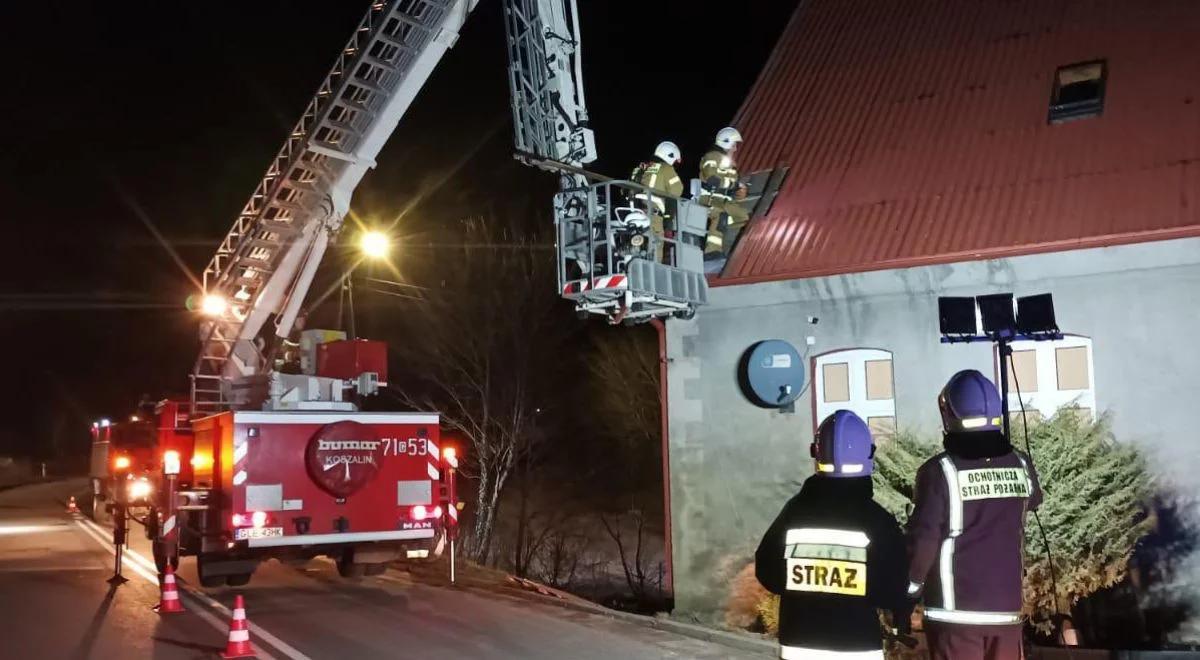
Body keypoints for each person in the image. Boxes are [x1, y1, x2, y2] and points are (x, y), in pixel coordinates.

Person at [906, 369, 1043, 660]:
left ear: (948, 415)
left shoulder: (939, 471)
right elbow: (1033, 500)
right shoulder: (1020, 462)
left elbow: (924, 540)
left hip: (955, 613)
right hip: (1006, 611)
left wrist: (908, 589)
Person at [755, 410, 912, 659]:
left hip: (799, 645)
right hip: (858, 647)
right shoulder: (877, 520)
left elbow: (767, 572)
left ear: (817, 454)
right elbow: (894, 590)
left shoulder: (794, 513)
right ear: (868, 454)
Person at [698, 126, 750, 256]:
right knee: (719, 217)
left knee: (745, 217)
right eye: (734, 145)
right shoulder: (711, 157)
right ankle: (711, 252)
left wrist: (740, 192)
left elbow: (732, 187)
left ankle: (723, 224)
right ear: (725, 143)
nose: (735, 149)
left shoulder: (730, 164)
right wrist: (734, 185)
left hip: (725, 201)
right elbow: (712, 179)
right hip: (710, 200)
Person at [630, 141, 684, 263]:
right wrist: (668, 222)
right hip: (654, 218)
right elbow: (677, 190)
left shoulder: (640, 169)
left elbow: (625, 190)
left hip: (633, 215)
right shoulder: (666, 168)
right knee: (655, 250)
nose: (674, 164)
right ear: (670, 156)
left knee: (636, 248)